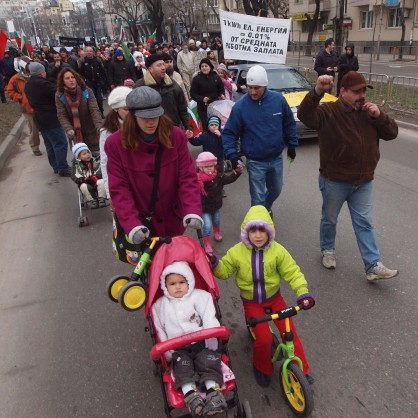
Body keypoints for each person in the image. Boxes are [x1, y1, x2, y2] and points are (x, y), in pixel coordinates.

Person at [297, 71, 399, 281]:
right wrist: (316, 92)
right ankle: (328, 250)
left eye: (363, 91)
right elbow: (305, 116)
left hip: (364, 180)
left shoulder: (369, 112)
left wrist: (380, 117)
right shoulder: (328, 111)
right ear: (342, 91)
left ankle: (372, 265)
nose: (361, 95)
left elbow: (392, 133)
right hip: (335, 180)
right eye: (356, 91)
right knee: (330, 219)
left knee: (364, 223)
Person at [212, 205, 315, 387]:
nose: (258, 235)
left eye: (262, 230)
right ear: (246, 232)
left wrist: (303, 292)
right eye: (253, 230)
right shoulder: (237, 252)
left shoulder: (277, 251)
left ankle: (302, 371)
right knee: (264, 339)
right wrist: (215, 264)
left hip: (275, 299)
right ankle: (261, 367)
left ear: (269, 231)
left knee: (290, 334)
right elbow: (225, 271)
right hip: (252, 303)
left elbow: (293, 272)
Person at [105, 86, 203, 244]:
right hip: (142, 225)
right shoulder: (115, 144)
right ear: (133, 116)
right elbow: (119, 188)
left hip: (173, 220)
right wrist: (132, 225)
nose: (151, 122)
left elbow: (187, 177)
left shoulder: (176, 136)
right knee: (148, 267)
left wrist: (192, 210)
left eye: (155, 116)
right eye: (145, 118)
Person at [152, 261, 228, 417]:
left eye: (182, 282)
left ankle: (214, 395)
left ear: (189, 282)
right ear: (165, 286)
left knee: (209, 363)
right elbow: (160, 329)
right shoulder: (160, 306)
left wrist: (212, 339)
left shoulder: (201, 297)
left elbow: (209, 317)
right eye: (172, 283)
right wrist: (166, 351)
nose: (178, 286)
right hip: (178, 348)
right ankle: (192, 397)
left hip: (202, 343)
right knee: (182, 368)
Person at [221, 65, 298, 217]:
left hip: (276, 158)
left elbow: (289, 123)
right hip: (255, 161)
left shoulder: (278, 100)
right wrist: (233, 156)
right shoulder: (240, 107)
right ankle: (258, 226)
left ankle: (266, 208)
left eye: (257, 88)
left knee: (276, 190)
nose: (253, 92)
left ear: (265, 85)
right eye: (250, 87)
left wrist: (292, 145)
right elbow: (229, 134)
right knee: (257, 199)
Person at [24, 62, 71, 176]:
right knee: (60, 143)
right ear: (41, 72)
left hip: (38, 117)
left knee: (49, 143)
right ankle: (63, 168)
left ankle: (56, 166)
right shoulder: (44, 85)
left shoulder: (28, 84)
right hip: (50, 117)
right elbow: (58, 92)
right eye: (44, 71)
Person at [134, 54, 193, 136]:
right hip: (152, 132)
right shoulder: (140, 86)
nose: (163, 67)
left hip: (173, 128)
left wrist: (188, 126)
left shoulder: (172, 84)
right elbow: (135, 112)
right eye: (159, 65)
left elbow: (182, 108)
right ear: (150, 69)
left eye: (163, 64)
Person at [195, 151, 242, 254]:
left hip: (216, 205)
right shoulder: (197, 180)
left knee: (216, 221)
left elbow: (229, 179)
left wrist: (237, 172)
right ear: (201, 168)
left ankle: (216, 232)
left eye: (211, 166)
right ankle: (207, 243)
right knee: (206, 225)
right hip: (204, 208)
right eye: (207, 167)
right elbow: (191, 192)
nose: (210, 168)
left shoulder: (218, 176)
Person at [55, 68, 103, 153]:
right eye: (67, 78)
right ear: (63, 81)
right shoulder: (60, 95)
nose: (71, 80)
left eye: (72, 77)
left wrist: (99, 127)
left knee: (97, 159)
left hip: (91, 131)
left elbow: (94, 110)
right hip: (75, 135)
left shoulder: (86, 91)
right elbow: (62, 115)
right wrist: (69, 129)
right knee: (82, 162)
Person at [99, 86, 132, 198]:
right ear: (116, 109)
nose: (130, 113)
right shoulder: (107, 131)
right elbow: (105, 162)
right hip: (122, 180)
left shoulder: (141, 123)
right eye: (126, 109)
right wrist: (110, 194)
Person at [6, 60, 42, 155]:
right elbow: (10, 91)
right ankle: (35, 147)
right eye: (28, 64)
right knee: (34, 127)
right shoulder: (15, 78)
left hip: (38, 105)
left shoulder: (35, 75)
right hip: (26, 108)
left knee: (35, 127)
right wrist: (20, 97)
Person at [190, 58, 225, 129]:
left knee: (216, 126)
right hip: (203, 108)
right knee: (206, 126)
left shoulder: (216, 77)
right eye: (202, 66)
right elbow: (193, 94)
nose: (204, 68)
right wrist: (202, 99)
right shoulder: (196, 79)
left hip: (215, 107)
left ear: (210, 67)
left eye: (206, 66)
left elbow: (221, 89)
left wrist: (222, 95)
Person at [78, 46, 108, 117]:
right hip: (88, 83)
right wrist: (83, 81)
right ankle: (95, 113)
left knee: (99, 98)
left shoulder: (98, 60)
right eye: (87, 51)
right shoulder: (83, 61)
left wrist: (103, 80)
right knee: (92, 98)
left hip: (97, 82)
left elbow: (103, 71)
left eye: (90, 51)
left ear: (93, 52)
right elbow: (80, 73)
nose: (89, 52)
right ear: (85, 52)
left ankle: (101, 111)